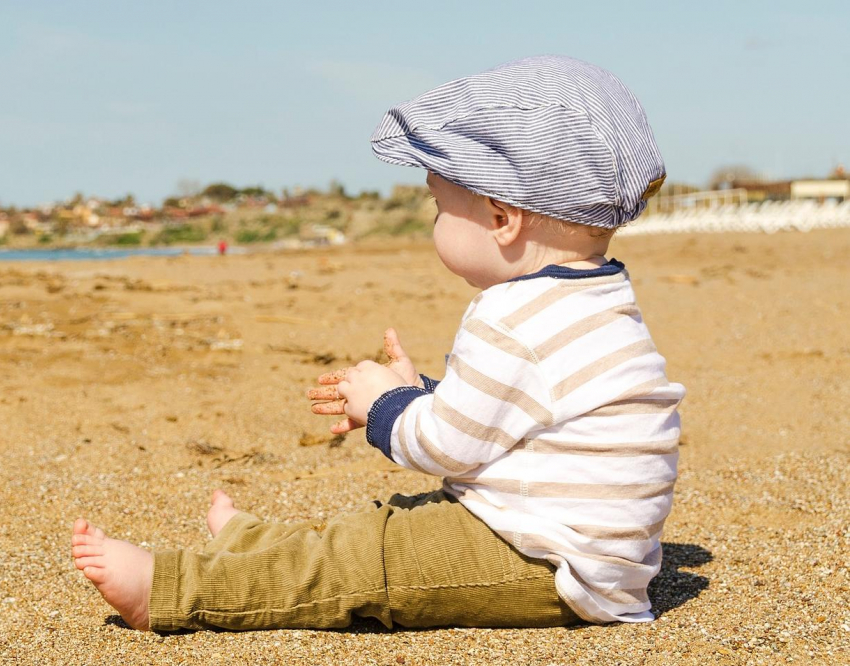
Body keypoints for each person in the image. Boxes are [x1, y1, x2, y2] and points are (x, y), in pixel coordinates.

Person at [71, 55, 684, 631]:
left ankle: (172, 590)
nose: (435, 221)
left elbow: (447, 448)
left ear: (502, 218)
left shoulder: (510, 314)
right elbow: (514, 418)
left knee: (366, 558)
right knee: (387, 522)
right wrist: (422, 392)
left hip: (546, 564)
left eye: (441, 207)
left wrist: (385, 408)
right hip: (586, 553)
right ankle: (253, 544)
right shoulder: (598, 298)